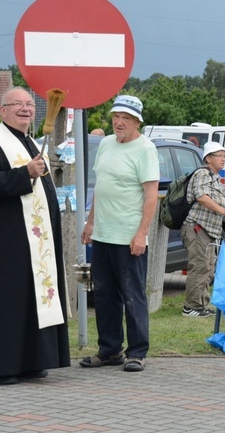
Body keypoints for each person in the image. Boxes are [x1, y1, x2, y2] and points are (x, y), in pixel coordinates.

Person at [0, 87, 70, 385]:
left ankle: (32, 360)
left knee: (30, 300)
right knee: (6, 302)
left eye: (29, 104)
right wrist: (25, 173)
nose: (25, 109)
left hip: (31, 243)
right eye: (17, 104)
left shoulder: (29, 140)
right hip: (4, 242)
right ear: (2, 110)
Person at [80, 95, 159, 373]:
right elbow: (101, 187)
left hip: (129, 236)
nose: (119, 121)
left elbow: (151, 196)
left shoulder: (145, 149)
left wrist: (141, 234)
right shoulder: (105, 144)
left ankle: (137, 352)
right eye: (116, 116)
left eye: (126, 117)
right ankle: (109, 349)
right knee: (103, 294)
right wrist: (90, 223)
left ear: (137, 121)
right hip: (103, 233)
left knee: (132, 294)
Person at [180, 142, 225, 317]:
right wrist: (224, 210)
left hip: (208, 230)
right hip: (197, 227)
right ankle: (191, 307)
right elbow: (202, 197)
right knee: (200, 266)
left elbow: (215, 200)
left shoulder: (214, 176)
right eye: (220, 155)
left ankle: (201, 304)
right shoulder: (202, 173)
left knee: (208, 268)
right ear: (208, 158)